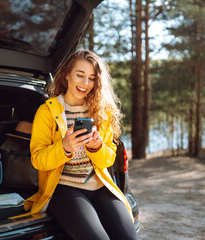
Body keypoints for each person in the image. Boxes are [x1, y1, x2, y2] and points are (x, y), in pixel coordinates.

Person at [23, 50, 138, 240]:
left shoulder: (102, 112)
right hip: (63, 188)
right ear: (67, 74)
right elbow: (38, 160)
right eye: (80, 75)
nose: (85, 84)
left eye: (92, 78)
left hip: (99, 186)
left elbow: (108, 159)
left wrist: (96, 147)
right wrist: (64, 147)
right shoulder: (47, 112)